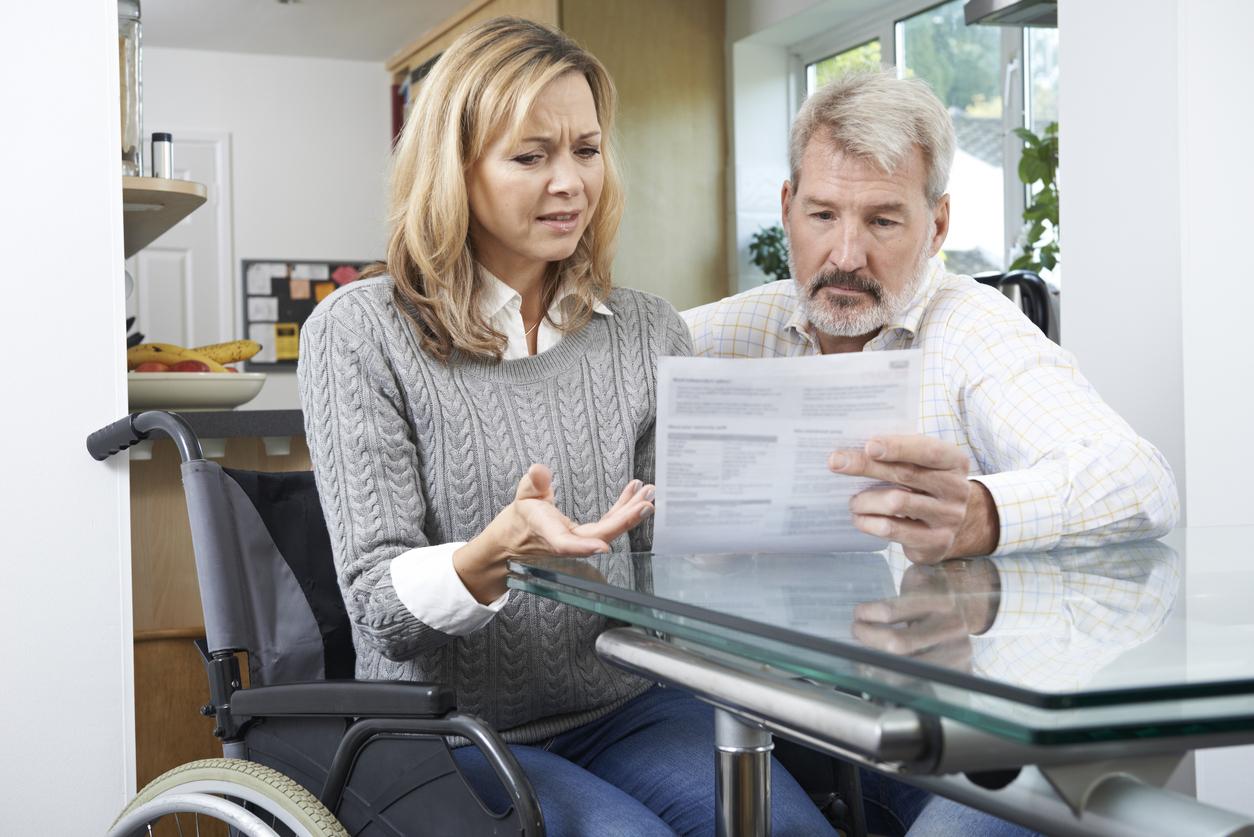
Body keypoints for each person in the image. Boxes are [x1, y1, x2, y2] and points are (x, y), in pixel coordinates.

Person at [298, 17, 834, 836]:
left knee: (785, 829)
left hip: (628, 703)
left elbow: (673, 567)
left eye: (586, 149)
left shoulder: (647, 328)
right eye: (530, 155)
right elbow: (380, 611)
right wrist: (495, 553)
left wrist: (773, 516)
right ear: (456, 168)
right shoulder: (359, 331)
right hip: (443, 727)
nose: (570, 182)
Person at [684, 69, 1179, 836]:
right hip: (784, 717)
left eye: (884, 221)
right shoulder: (721, 334)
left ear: (939, 225)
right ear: (787, 208)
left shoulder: (972, 328)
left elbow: (1141, 481)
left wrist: (982, 512)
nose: (845, 254)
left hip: (962, 731)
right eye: (822, 214)